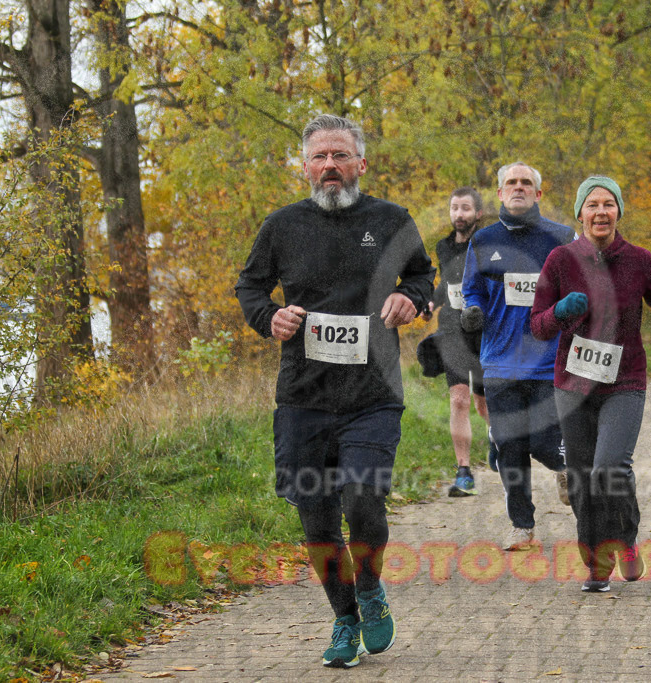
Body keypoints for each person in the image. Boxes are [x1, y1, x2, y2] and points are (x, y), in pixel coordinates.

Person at [235, 114, 435, 669]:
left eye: (340, 155)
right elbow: (250, 286)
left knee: (363, 500)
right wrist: (269, 317)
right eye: (320, 156)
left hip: (373, 392)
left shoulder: (391, 220)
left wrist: (410, 298)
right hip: (304, 395)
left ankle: (368, 586)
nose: (330, 165)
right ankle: (345, 619)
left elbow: (423, 275)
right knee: (318, 519)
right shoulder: (282, 226)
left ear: (360, 164)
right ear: (305, 166)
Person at [531, 176, 651, 592]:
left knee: (609, 468)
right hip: (572, 385)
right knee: (581, 477)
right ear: (580, 214)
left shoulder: (639, 260)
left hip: (624, 381)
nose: (601, 212)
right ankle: (596, 563)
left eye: (608, 204)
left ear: (619, 211)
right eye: (592, 205)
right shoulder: (560, 260)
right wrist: (560, 312)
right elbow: (538, 326)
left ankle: (624, 538)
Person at [460, 161, 574, 551]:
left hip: (548, 361)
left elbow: (580, 287)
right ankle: (521, 526)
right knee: (509, 446)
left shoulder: (562, 237)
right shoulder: (483, 240)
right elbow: (472, 289)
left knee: (543, 440)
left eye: (527, 183)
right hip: (499, 360)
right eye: (512, 182)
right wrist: (472, 311)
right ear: (500, 193)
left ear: (538, 193)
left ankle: (564, 465)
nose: (519, 188)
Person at [421, 187, 492, 497]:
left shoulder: (489, 244)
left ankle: (497, 441)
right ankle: (463, 472)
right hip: (452, 330)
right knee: (459, 399)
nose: (459, 214)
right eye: (454, 208)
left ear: (478, 213)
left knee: (483, 402)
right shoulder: (443, 246)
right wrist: (431, 303)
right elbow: (447, 285)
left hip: (485, 331)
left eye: (465, 208)